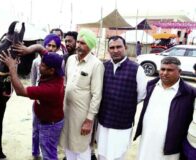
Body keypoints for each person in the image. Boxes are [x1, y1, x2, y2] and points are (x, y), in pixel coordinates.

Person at [1, 50, 65, 160]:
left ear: (51, 70)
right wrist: (27, 49)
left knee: (49, 154)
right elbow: (40, 48)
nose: (39, 65)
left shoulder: (50, 89)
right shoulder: (56, 74)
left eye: (43, 65)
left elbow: (20, 91)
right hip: (45, 118)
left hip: (49, 126)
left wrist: (12, 67)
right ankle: (36, 153)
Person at [134, 57, 196, 160]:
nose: (165, 73)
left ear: (179, 71)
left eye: (170, 70)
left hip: (171, 143)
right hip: (147, 137)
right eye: (162, 69)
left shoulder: (189, 93)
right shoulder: (151, 86)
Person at [96, 36, 147, 160]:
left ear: (125, 47)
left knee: (117, 155)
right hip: (103, 121)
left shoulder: (136, 69)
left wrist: (124, 105)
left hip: (122, 122)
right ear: (108, 50)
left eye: (118, 47)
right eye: (112, 48)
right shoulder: (103, 67)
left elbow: (141, 94)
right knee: (102, 153)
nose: (115, 50)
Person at [59, 29, 104, 160]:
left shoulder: (96, 64)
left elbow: (97, 95)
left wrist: (89, 120)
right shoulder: (70, 60)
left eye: (83, 43)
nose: (78, 45)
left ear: (90, 45)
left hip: (82, 116)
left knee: (82, 148)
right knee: (68, 145)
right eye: (78, 42)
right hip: (67, 112)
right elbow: (66, 84)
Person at [30, 34, 62, 160]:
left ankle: (46, 153)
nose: (51, 48)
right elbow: (33, 79)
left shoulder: (59, 62)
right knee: (35, 129)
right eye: (48, 45)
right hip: (38, 97)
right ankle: (35, 152)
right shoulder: (36, 62)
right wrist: (35, 94)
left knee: (46, 131)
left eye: (54, 46)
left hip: (49, 98)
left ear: (58, 48)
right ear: (45, 45)